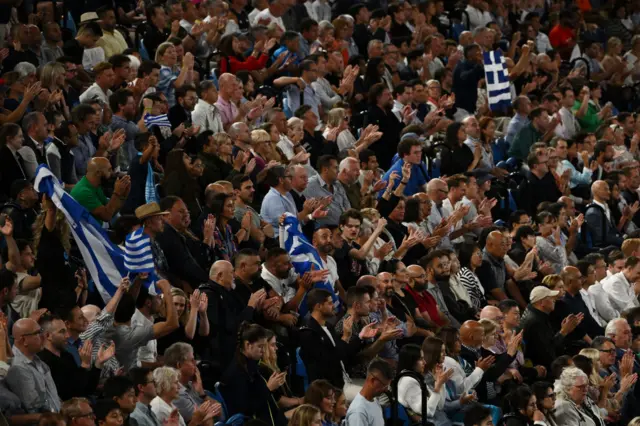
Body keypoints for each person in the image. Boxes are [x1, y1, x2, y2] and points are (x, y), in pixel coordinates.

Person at [344, 358, 393, 426]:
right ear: (373, 381)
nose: (386, 390)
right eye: (384, 386)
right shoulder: (358, 412)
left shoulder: (374, 400)